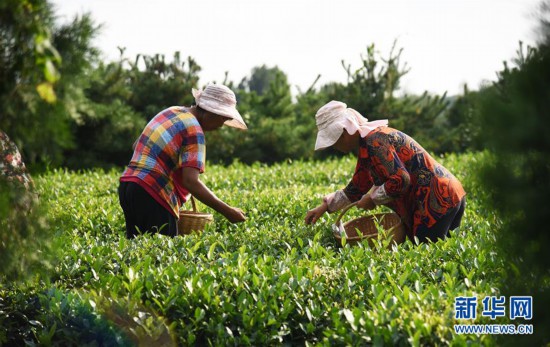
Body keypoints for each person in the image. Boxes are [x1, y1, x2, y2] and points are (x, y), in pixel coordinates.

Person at [304, 101, 466, 243]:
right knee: (445, 256)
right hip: (448, 194)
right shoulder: (367, 145)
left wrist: (373, 199)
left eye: (335, 139)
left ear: (347, 130)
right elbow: (356, 187)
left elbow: (401, 179)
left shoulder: (375, 141)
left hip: (437, 202)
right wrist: (325, 207)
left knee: (432, 257)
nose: (335, 146)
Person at [119, 84, 247, 238]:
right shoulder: (194, 130)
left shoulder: (171, 112)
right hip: (153, 193)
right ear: (210, 112)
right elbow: (190, 181)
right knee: (159, 256)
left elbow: (137, 145)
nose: (221, 125)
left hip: (128, 187)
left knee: (136, 252)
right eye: (222, 119)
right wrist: (228, 211)